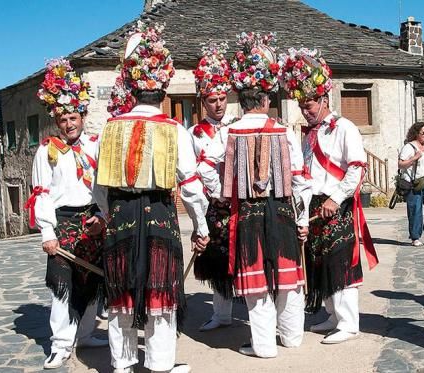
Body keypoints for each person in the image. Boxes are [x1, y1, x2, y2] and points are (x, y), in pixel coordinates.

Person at [97, 22, 209, 373]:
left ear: (130, 88)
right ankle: (161, 366)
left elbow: (99, 188)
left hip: (120, 217)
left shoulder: (110, 129)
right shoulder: (174, 129)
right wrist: (201, 227)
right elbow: (190, 186)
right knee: (160, 292)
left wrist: (107, 214)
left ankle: (123, 365)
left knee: (121, 293)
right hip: (160, 214)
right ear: (161, 88)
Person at [209, 32, 311, 358]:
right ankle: (292, 337)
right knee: (288, 276)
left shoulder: (229, 131)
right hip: (282, 212)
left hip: (248, 214)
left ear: (242, 99)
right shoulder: (284, 131)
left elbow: (205, 168)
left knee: (256, 282)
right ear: (266, 99)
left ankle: (265, 347)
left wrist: (222, 195)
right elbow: (300, 180)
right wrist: (304, 216)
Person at [280, 47, 378, 344]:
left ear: (324, 100)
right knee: (319, 261)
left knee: (339, 262)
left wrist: (336, 199)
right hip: (316, 204)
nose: (304, 111)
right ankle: (332, 316)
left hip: (339, 204)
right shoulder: (308, 134)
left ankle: (349, 323)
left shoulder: (344, 127)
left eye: (309, 105)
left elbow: (358, 168)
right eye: (301, 106)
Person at [27, 58, 108, 369]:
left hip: (92, 221)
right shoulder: (46, 150)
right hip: (62, 223)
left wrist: (102, 216)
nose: (69, 124)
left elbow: (105, 186)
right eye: (63, 119)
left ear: (82, 116)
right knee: (62, 288)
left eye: (73, 117)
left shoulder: (97, 146)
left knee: (92, 282)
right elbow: (41, 193)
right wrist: (47, 232)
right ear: (56, 121)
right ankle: (60, 345)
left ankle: (86, 334)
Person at [189, 42, 238, 332]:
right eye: (212, 99)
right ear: (203, 101)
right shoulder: (194, 134)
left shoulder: (238, 126)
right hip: (211, 205)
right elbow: (192, 172)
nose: (218, 104)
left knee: (244, 255)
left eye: (222, 98)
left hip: (239, 203)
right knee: (217, 260)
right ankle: (221, 314)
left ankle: (253, 311)